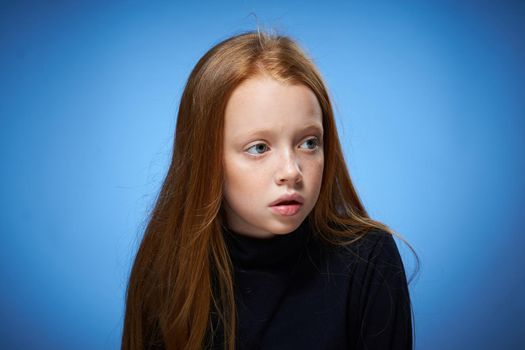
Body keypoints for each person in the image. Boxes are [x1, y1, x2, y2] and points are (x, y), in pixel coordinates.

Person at [122, 29, 418, 350]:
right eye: (259, 147)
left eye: (308, 143)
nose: (291, 171)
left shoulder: (368, 260)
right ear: (207, 159)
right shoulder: (165, 271)